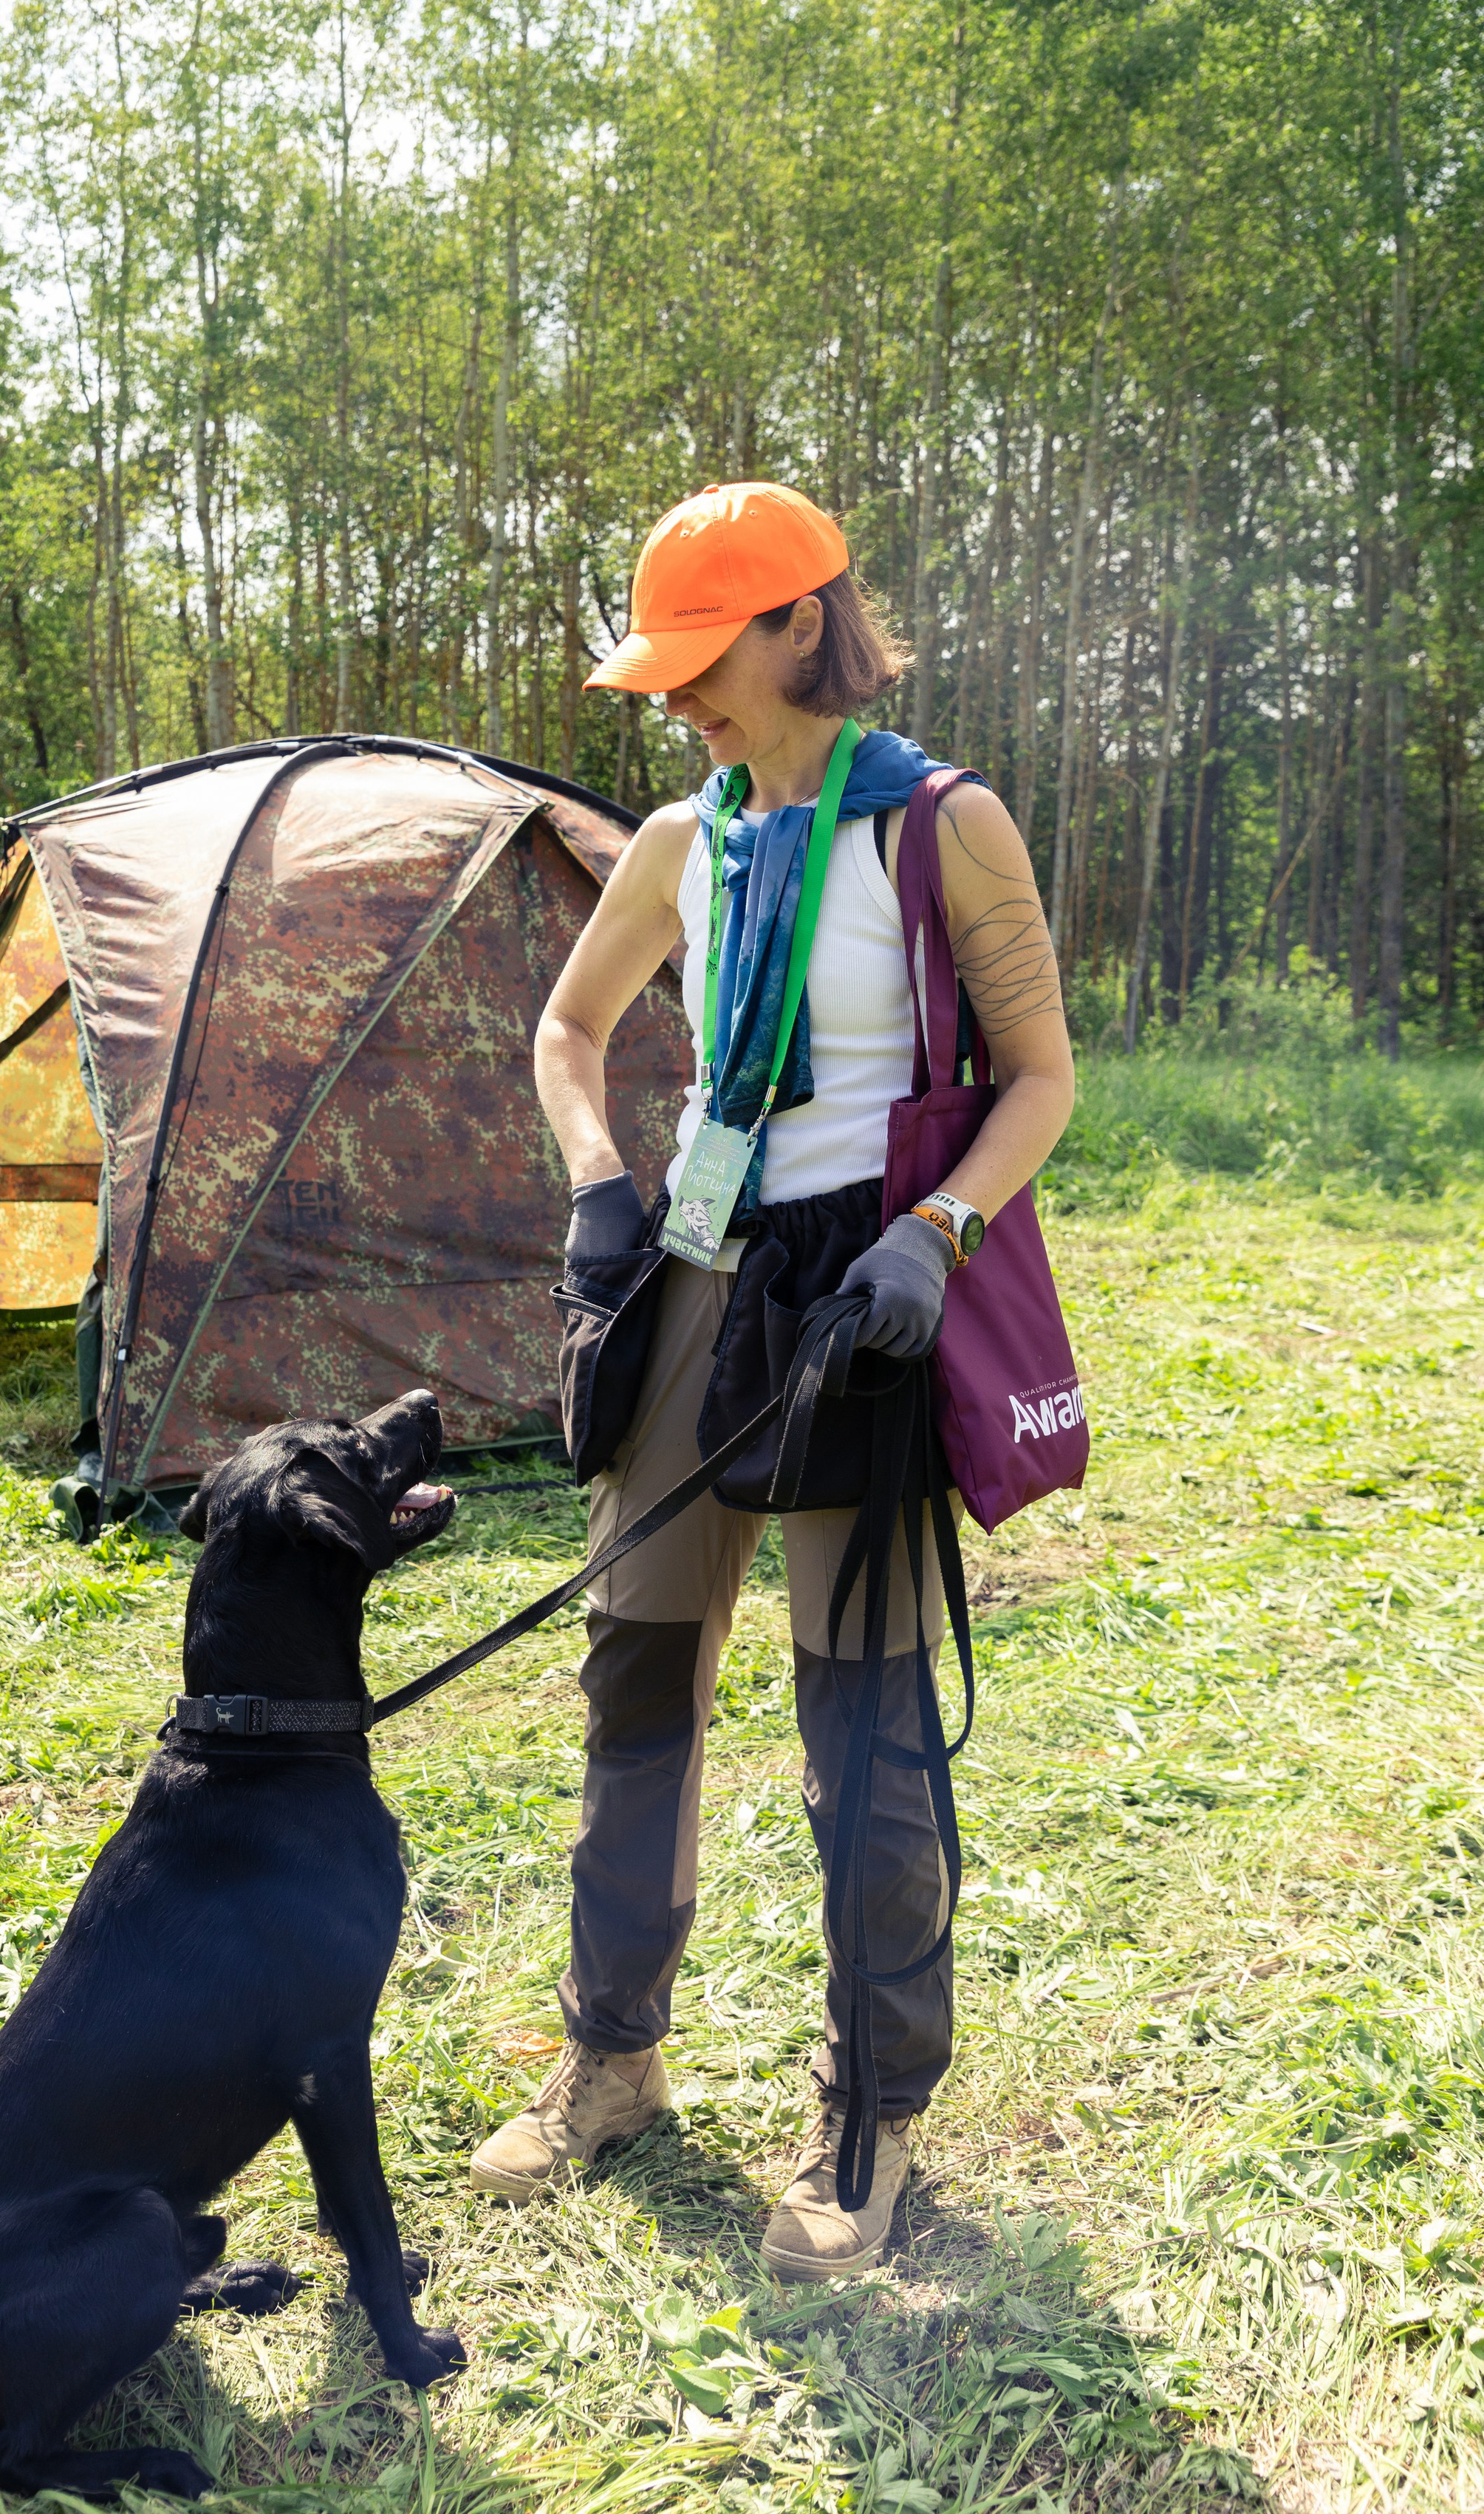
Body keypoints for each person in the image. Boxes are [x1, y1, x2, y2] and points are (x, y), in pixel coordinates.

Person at [469, 479, 1076, 2278]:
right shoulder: (681, 835)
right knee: (634, 1671)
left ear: (799, 624)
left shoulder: (943, 830)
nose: (673, 703)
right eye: (654, 675)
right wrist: (596, 1180)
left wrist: (935, 1237)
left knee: (861, 1725)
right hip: (694, 1279)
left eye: (697, 662)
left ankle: (872, 2116)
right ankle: (611, 2056)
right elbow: (567, 1029)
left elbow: (1041, 1080)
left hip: (858, 1299)